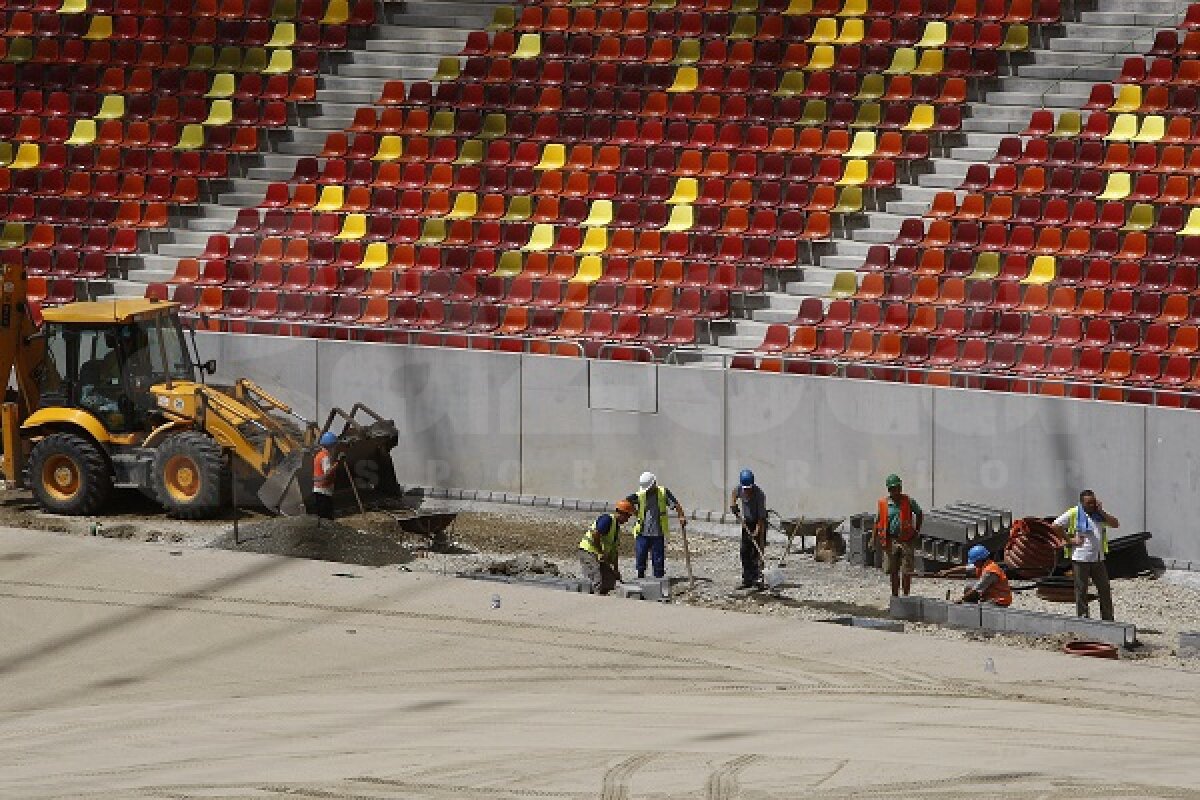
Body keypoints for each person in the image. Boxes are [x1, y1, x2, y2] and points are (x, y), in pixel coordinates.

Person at [1051, 489, 1118, 620]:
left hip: (1098, 558)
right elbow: (1055, 526)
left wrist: (1102, 512)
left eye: (1093, 502)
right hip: (1081, 558)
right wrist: (1069, 540)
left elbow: (1115, 524)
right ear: (1082, 503)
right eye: (1089, 503)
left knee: (1104, 589)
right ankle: (1083, 618)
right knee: (1081, 590)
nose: (1092, 505)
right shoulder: (1074, 513)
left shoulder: (1099, 515)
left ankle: (1108, 618)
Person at [626, 472, 687, 579]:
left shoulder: (663, 492)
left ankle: (659, 578)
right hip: (642, 532)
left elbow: (676, 504)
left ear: (654, 483)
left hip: (658, 532)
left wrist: (681, 516)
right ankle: (640, 577)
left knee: (658, 558)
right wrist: (635, 512)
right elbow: (626, 502)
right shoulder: (641, 494)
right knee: (641, 556)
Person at [874, 473, 923, 597]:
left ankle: (906, 597)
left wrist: (917, 530)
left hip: (906, 540)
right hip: (890, 541)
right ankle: (895, 596)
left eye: (897, 488)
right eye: (893, 488)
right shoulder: (883, 504)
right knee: (893, 571)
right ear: (889, 490)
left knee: (906, 571)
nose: (896, 491)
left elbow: (919, 513)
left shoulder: (908, 501)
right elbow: (877, 521)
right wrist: (873, 539)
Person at [578, 500, 634, 595]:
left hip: (599, 555)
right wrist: (600, 552)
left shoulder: (616, 528)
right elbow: (595, 534)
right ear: (620, 513)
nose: (627, 519)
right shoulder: (607, 519)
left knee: (610, 581)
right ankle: (595, 601)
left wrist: (616, 570)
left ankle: (604, 598)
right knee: (597, 579)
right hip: (588, 551)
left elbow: (614, 551)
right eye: (627, 516)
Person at [730, 468, 767, 589]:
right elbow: (734, 493)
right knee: (744, 551)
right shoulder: (740, 489)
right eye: (745, 489)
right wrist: (733, 505)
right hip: (746, 523)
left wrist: (756, 531)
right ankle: (747, 578)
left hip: (758, 523)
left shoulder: (760, 495)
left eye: (749, 488)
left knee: (755, 552)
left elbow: (761, 517)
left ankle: (757, 578)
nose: (747, 491)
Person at [312, 431, 339, 522]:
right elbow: (327, 472)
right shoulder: (325, 457)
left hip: (319, 490)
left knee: (322, 516)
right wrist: (338, 463)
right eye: (334, 445)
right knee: (327, 518)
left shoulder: (319, 455)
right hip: (324, 491)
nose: (335, 448)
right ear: (330, 446)